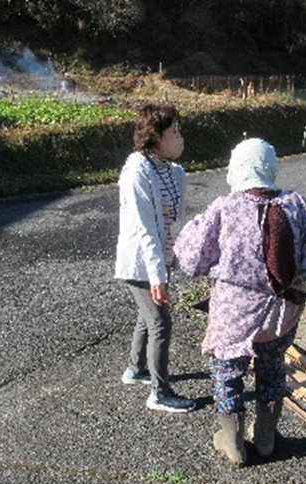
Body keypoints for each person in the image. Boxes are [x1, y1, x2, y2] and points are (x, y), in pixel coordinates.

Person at [174, 138, 306, 465]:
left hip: (235, 316)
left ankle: (232, 443)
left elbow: (191, 260)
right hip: (282, 314)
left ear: (237, 168)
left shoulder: (225, 207)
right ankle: (265, 439)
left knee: (226, 374)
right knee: (272, 368)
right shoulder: (296, 203)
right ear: (270, 167)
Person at [114, 104, 195, 413]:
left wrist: (178, 255)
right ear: (155, 137)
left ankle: (136, 369)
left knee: (146, 318)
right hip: (140, 263)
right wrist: (157, 276)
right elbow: (145, 227)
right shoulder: (136, 170)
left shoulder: (174, 171)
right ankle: (160, 393)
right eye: (174, 132)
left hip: (160, 259)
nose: (180, 137)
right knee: (161, 323)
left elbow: (176, 220)